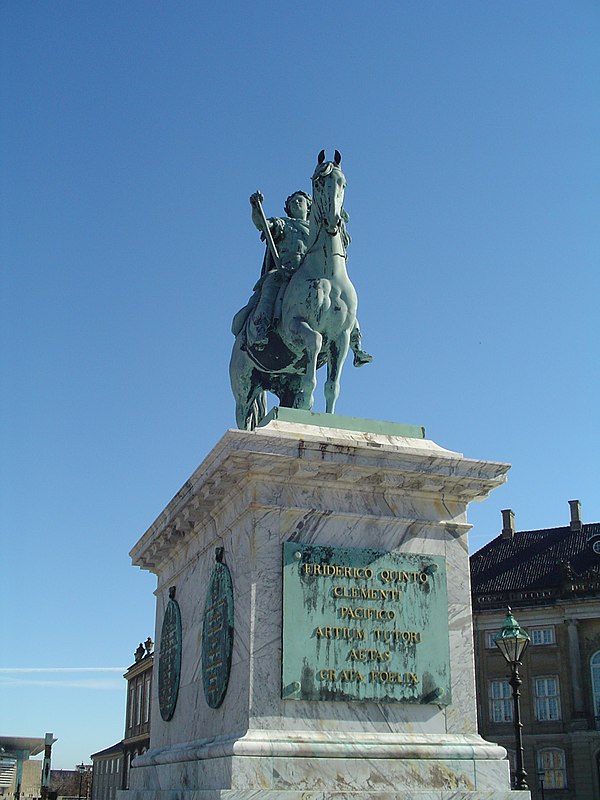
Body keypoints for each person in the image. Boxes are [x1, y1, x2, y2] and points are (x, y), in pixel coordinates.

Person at [232, 191, 373, 366]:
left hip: (312, 272)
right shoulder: (284, 224)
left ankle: (356, 345)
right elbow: (262, 225)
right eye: (292, 203)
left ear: (308, 206)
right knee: (270, 286)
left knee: (341, 299)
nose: (296, 204)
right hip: (286, 271)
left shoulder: (316, 229)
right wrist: (256, 208)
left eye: (300, 201)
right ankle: (261, 328)